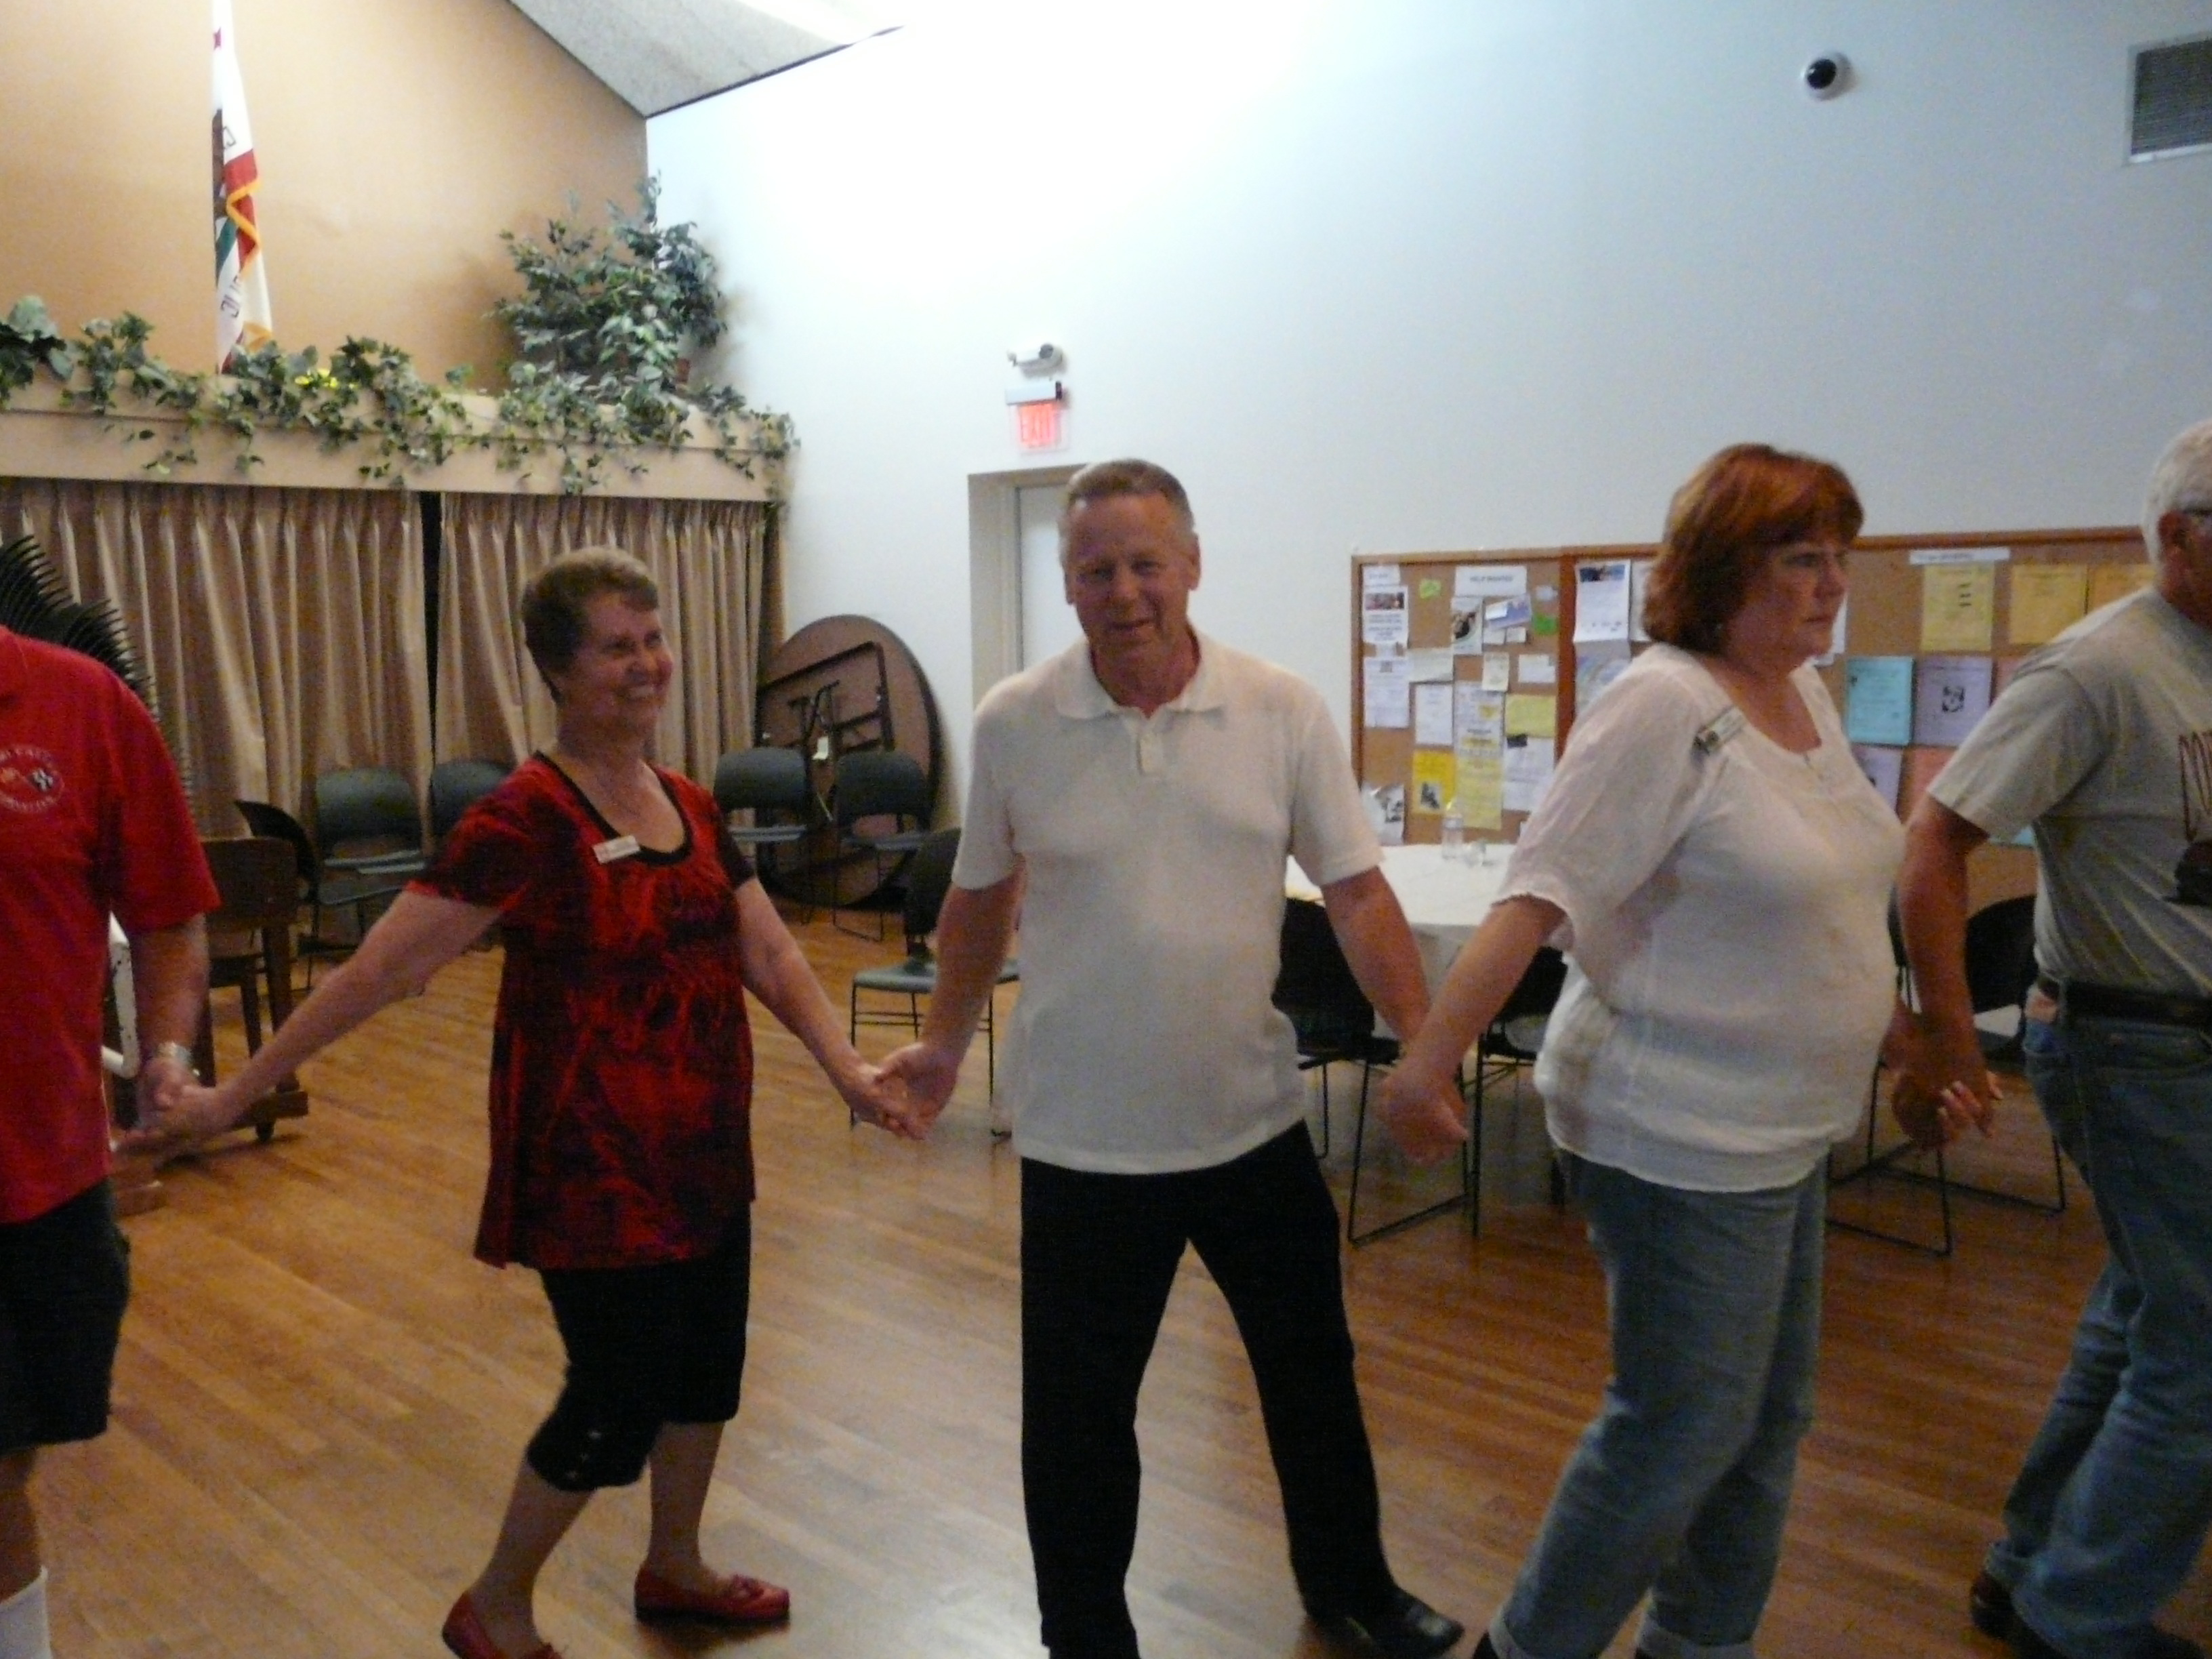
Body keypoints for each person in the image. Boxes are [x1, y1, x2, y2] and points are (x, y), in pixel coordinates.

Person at [129, 548, 911, 1659]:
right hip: (593, 1166)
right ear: (555, 669)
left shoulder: (689, 802)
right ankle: (494, 1604)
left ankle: (675, 1564)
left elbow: (771, 953)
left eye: (654, 640)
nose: (646, 664)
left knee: (706, 1370)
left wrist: (848, 1073)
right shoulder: (524, 817)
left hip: (702, 1148)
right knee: (616, 1395)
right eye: (616, 647)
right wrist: (233, 1097)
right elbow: (380, 970)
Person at [1377, 443, 1979, 1659]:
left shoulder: (1802, 697)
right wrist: (1426, 1065)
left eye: (1839, 557)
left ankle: (1701, 1645)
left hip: (1786, 1127)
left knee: (1766, 1422)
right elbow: (1536, 896)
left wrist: (1908, 1046)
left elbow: (1827, 914)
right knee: (1681, 1429)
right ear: (1720, 570)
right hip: (1676, 1132)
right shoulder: (1661, 705)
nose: (1832, 585)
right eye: (1800, 559)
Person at [880, 459, 1464, 1659]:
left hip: (1250, 1124)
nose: (1125, 592)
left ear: (1192, 565)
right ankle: (1085, 1635)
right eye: (1096, 570)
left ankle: (1350, 1586)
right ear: (1067, 582)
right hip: (1083, 1143)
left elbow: (1356, 893)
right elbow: (980, 901)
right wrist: (943, 1044)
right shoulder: (1015, 721)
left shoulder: (1281, 709)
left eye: (1147, 564)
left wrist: (1423, 1049)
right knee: (1080, 1417)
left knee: (1312, 1375)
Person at [1896, 417, 2212, 1659]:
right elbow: (1934, 841)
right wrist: (1946, 1039)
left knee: (2149, 1309)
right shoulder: (2097, 669)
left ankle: (2032, 1569)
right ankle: (2083, 1618)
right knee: (2201, 1343)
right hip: (2136, 1050)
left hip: (2183, 1046)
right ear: (2179, 537)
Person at [0, 621, 217, 1659]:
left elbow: (169, 912)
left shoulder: (81, 705)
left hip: (45, 1178)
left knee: (17, 1454)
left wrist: (165, 1052)